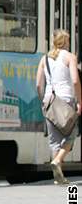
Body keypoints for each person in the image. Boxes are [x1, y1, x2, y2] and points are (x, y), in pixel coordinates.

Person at [35, 29, 81, 185]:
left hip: (49, 101)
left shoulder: (44, 59)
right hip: (66, 100)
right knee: (72, 133)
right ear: (66, 42)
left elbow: (38, 84)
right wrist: (79, 101)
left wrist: (44, 101)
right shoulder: (70, 57)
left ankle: (58, 177)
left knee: (54, 139)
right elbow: (75, 81)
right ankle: (58, 160)